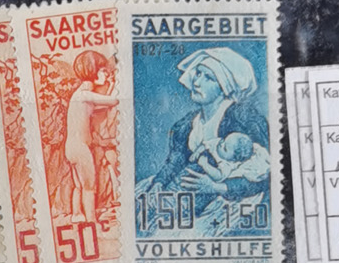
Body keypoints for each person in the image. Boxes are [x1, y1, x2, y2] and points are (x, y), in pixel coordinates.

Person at [136, 45, 272, 237]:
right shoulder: (186, 125)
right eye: (198, 74)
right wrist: (159, 183)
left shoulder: (244, 120)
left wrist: (216, 187)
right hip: (186, 192)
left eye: (208, 78)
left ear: (224, 87)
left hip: (229, 200)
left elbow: (263, 175)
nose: (197, 82)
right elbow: (176, 160)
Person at [61, 48, 123, 226]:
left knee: (79, 185)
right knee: (89, 186)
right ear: (93, 72)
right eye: (103, 71)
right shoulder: (85, 95)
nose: (106, 74)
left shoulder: (80, 96)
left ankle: (77, 215)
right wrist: (115, 84)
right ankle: (91, 221)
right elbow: (114, 101)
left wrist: (110, 86)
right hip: (81, 149)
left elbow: (103, 106)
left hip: (71, 148)